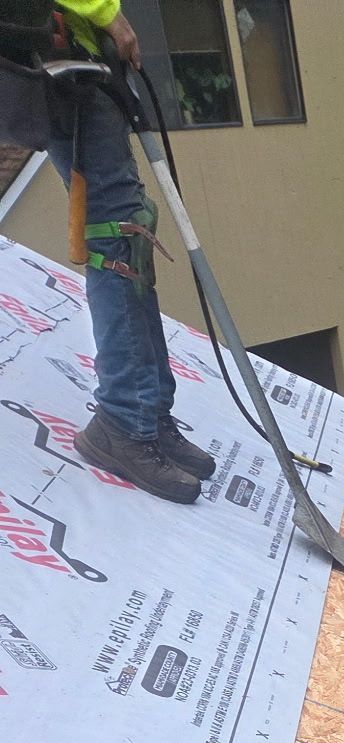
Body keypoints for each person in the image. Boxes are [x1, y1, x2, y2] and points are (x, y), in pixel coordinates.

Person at [44, 3, 212, 503]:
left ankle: (148, 412)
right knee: (115, 236)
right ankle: (122, 422)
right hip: (63, 64)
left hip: (82, 65)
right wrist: (105, 13)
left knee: (129, 228)